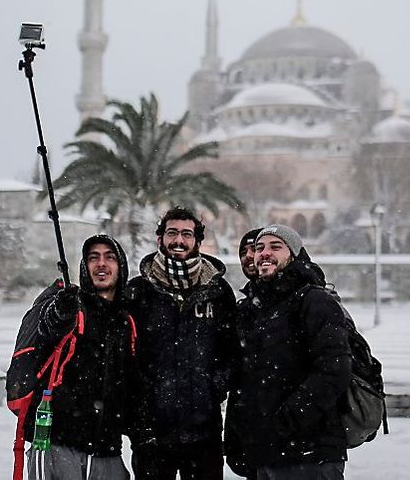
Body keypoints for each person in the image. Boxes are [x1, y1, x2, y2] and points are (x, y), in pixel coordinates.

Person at [231, 224, 352, 480]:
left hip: (309, 452)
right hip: (264, 451)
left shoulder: (314, 301)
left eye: (276, 247)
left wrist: (288, 419)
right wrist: (239, 436)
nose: (265, 253)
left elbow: (334, 370)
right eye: (260, 248)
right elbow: (246, 380)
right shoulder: (254, 307)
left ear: (294, 255)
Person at [125, 206, 238, 480]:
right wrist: (142, 404)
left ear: (198, 241)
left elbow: (232, 350)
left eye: (187, 234)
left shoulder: (218, 291)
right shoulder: (138, 291)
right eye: (172, 233)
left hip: (204, 430)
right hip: (152, 430)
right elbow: (125, 355)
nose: (179, 240)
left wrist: (213, 387)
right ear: (159, 238)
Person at [28, 233, 136, 480]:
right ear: (84, 267)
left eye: (110, 258)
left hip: (108, 450)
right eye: (93, 258)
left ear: (121, 267)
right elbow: (48, 331)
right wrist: (61, 311)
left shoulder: (126, 320)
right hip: (58, 446)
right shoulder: (70, 306)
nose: (101, 264)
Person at [223, 227, 261, 479]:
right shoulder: (245, 308)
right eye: (243, 251)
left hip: (296, 441)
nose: (249, 256)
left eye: (255, 249)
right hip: (252, 436)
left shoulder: (305, 300)